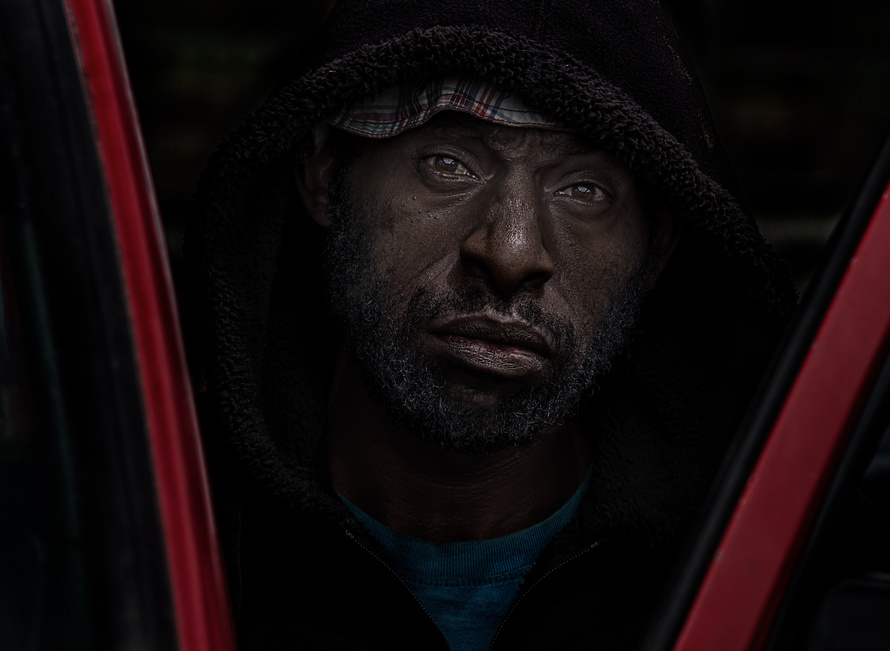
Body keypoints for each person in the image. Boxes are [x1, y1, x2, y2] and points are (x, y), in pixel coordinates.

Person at [185, 1, 806, 648]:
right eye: (448, 164)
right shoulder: (150, 512)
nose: (510, 254)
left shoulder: (791, 565)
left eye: (585, 190)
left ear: (658, 249)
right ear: (324, 175)